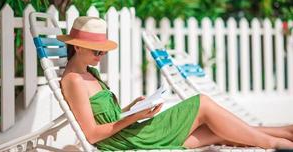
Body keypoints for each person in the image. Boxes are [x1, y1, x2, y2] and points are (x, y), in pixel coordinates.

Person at [57, 16, 293, 151]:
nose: (101, 54)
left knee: (214, 130)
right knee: (201, 103)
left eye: (103, 50)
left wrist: (132, 107)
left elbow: (106, 117)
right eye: (96, 50)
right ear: (76, 46)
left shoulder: (90, 74)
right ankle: (274, 143)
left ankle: (284, 133)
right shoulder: (74, 80)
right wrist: (134, 117)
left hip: (129, 132)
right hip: (126, 142)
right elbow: (92, 135)